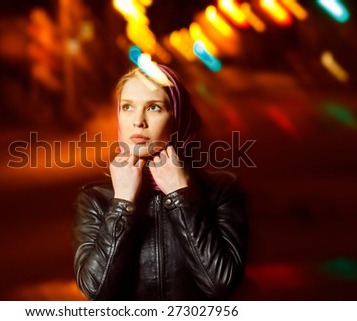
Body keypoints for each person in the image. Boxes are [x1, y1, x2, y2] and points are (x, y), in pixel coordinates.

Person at [72, 65, 248, 300]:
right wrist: (122, 203)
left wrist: (179, 196)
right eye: (128, 107)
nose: (138, 121)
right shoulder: (95, 199)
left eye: (154, 107)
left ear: (178, 117)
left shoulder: (220, 191)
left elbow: (220, 284)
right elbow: (96, 290)